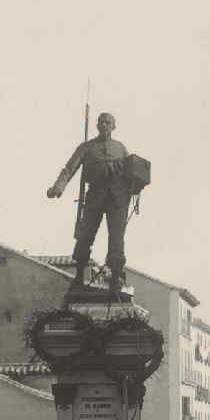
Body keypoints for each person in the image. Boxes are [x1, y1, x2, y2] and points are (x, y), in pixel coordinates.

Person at [47, 111, 139, 295]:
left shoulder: (121, 148)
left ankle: (116, 278)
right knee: (85, 235)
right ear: (97, 126)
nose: (104, 126)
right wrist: (58, 187)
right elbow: (69, 168)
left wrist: (135, 187)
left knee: (116, 240)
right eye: (101, 123)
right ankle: (79, 275)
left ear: (114, 126)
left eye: (108, 123)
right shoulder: (86, 148)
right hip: (95, 197)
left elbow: (133, 171)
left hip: (117, 199)